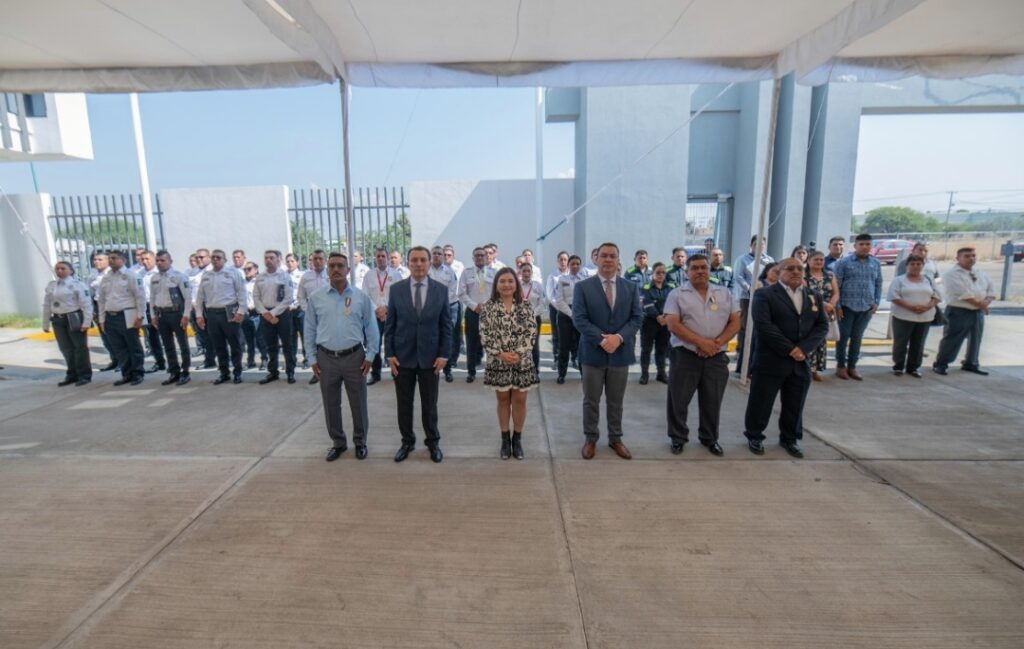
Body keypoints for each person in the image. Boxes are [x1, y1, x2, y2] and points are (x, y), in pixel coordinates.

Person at [742, 258, 829, 458]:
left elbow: (822, 326)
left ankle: (790, 438)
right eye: (790, 268)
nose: (796, 272)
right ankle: (755, 435)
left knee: (795, 403)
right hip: (771, 360)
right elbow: (764, 325)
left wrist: (803, 349)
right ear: (779, 272)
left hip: (800, 361)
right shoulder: (764, 295)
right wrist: (790, 349)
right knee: (761, 402)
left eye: (800, 268)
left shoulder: (813, 296)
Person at [573, 243, 644, 460]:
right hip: (592, 353)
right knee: (591, 400)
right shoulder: (583, 287)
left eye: (612, 256)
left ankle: (615, 438)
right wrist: (602, 340)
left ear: (618, 259)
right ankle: (591, 438)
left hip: (620, 353)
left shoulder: (630, 287)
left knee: (616, 400)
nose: (608, 259)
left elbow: (637, 318)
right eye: (603, 255)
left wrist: (618, 338)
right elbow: (579, 319)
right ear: (596, 259)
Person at [663, 254, 740, 455]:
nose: (699, 271)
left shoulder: (724, 293)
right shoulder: (677, 294)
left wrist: (715, 344)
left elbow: (735, 322)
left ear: (709, 270)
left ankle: (709, 438)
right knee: (678, 400)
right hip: (685, 355)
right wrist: (701, 343)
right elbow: (673, 324)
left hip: (716, 356)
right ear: (686, 272)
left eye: (703, 268)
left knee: (712, 401)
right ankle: (678, 438)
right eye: (694, 268)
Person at [306, 252, 379, 461]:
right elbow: (309, 329)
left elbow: (371, 328)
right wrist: (312, 358)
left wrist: (371, 355)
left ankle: (360, 441)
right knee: (330, 403)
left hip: (355, 357)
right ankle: (338, 442)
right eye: (332, 266)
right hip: (326, 358)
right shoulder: (316, 298)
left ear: (348, 269)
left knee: (358, 402)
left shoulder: (360, 297)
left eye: (340, 265)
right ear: (327, 270)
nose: (336, 269)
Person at [385, 247, 453, 463]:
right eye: (414, 260)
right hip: (402, 357)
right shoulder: (396, 290)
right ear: (408, 263)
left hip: (430, 358)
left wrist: (444, 354)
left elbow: (446, 326)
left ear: (429, 262)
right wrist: (389, 354)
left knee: (429, 404)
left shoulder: (441, 290)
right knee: (404, 404)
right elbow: (390, 325)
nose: (419, 264)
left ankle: (433, 442)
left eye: (423, 260)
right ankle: (407, 442)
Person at [480, 267, 540, 460]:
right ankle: (505, 439)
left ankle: (518, 439)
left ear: (516, 284)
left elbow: (531, 332)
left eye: (510, 281)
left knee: (520, 400)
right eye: (502, 281)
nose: (506, 285)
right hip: (498, 361)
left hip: (522, 361)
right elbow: (485, 334)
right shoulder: (488, 307)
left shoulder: (526, 305)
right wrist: (501, 354)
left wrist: (519, 353)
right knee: (503, 399)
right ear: (496, 285)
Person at [933, 247, 995, 376]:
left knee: (976, 338)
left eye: (973, 256)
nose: (971, 258)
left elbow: (990, 288)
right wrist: (982, 305)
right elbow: (964, 294)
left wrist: (987, 301)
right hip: (959, 311)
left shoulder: (979, 272)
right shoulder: (951, 274)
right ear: (958, 258)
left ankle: (971, 363)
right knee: (952, 338)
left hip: (977, 311)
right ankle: (941, 364)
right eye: (967, 256)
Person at [833, 233, 882, 381]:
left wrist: (876, 302)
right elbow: (836, 285)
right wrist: (838, 305)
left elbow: (878, 283)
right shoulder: (844, 263)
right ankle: (840, 366)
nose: (865, 247)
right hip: (846, 307)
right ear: (855, 246)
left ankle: (852, 366)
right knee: (843, 337)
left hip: (866, 307)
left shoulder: (875, 263)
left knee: (857, 337)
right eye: (861, 244)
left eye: (868, 244)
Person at [195, 249, 247, 385]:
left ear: (225, 260)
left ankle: (237, 372)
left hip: (229, 312)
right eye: (213, 257)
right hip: (212, 313)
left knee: (235, 344)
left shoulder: (233, 273)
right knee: (218, 345)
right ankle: (224, 373)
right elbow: (200, 297)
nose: (215, 260)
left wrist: (241, 311)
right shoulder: (206, 275)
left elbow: (242, 293)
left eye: (219, 257)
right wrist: (199, 315)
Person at [888, 254, 942, 378]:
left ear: (923, 266)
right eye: (912, 264)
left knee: (918, 343)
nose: (915, 266)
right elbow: (893, 296)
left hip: (924, 318)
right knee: (901, 343)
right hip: (903, 317)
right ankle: (898, 366)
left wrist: (927, 307)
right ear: (907, 266)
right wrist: (910, 307)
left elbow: (937, 296)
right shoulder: (899, 280)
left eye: (919, 264)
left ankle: (913, 368)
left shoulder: (929, 280)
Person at [97, 250, 147, 386]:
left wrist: (140, 316)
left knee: (133, 346)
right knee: (119, 348)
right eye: (109, 258)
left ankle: (137, 373)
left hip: (127, 314)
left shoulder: (131, 275)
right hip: (110, 316)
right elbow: (101, 300)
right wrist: (102, 319)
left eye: (114, 258)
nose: (111, 261)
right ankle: (127, 374)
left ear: (123, 260)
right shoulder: (106, 277)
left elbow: (140, 296)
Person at [43, 261, 93, 386]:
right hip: (58, 319)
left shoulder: (77, 285)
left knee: (79, 348)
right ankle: (72, 374)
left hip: (73, 317)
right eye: (57, 269)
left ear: (71, 270)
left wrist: (87, 322)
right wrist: (45, 323)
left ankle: (84, 375)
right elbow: (47, 304)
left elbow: (86, 304)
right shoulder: (52, 285)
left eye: (63, 268)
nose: (59, 271)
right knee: (65, 348)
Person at [254, 250, 298, 384]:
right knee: (270, 345)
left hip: (282, 313)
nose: (268, 260)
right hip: (265, 314)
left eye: (271, 258)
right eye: (266, 258)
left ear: (278, 260)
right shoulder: (260, 277)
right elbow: (256, 297)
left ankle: (290, 371)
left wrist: (272, 313)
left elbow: (288, 298)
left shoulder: (284, 276)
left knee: (287, 344)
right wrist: (264, 313)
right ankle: (273, 372)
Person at [732, 235, 774, 375]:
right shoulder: (742, 259)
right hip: (747, 297)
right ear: (751, 245)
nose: (759, 246)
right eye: (756, 244)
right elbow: (738, 277)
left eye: (762, 244)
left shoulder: (769, 260)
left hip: (765, 297)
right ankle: (741, 353)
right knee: (745, 326)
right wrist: (750, 289)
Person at [150, 250, 193, 386]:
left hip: (176, 314)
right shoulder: (154, 278)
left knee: (183, 344)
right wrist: (153, 315)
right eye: (157, 261)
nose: (159, 263)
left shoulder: (179, 276)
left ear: (170, 261)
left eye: (162, 260)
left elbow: (187, 297)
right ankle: (174, 371)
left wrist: (186, 315)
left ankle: (185, 371)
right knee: (168, 345)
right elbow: (152, 298)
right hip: (162, 314)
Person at [361, 247, 403, 385]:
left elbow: (399, 294)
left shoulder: (396, 275)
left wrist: (387, 309)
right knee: (374, 345)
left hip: (392, 314)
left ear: (387, 257)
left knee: (393, 344)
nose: (380, 258)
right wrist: (377, 310)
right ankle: (376, 374)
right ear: (375, 258)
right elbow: (365, 295)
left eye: (383, 256)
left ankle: (396, 372)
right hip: (374, 315)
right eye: (378, 256)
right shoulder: (369, 275)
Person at [459, 247, 496, 383]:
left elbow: (497, 292)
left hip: (489, 312)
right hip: (472, 312)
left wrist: (486, 305)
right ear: (473, 258)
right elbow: (461, 293)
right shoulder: (466, 272)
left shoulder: (494, 273)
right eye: (477, 255)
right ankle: (471, 372)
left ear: (486, 257)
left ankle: (493, 372)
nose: (480, 257)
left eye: (482, 255)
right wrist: (474, 306)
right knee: (471, 343)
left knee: (491, 343)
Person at [804, 251, 839, 381]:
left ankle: (815, 370)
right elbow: (806, 293)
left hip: (826, 313)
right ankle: (807, 370)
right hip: (810, 311)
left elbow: (836, 292)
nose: (819, 262)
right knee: (809, 340)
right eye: (816, 259)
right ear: (809, 261)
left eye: (821, 260)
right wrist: (824, 304)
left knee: (821, 341)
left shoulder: (830, 275)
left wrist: (831, 305)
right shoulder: (804, 276)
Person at [429, 245, 461, 382]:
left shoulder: (450, 272)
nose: (437, 255)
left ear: (443, 256)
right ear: (431, 256)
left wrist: (440, 305)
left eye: (439, 253)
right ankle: (432, 370)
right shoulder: (426, 270)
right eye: (434, 253)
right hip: (429, 310)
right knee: (431, 339)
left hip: (447, 308)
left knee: (447, 338)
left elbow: (453, 290)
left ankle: (447, 370)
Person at [638, 262, 674, 385]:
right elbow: (647, 304)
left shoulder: (670, 287)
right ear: (652, 273)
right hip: (649, 322)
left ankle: (661, 373)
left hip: (665, 323)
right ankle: (644, 374)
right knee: (646, 349)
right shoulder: (645, 287)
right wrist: (658, 316)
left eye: (663, 273)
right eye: (658, 272)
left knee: (662, 349)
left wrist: (665, 317)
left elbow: (673, 303)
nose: (661, 275)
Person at [553, 254, 587, 383]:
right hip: (565, 314)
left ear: (580, 265)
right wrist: (571, 314)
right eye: (572, 264)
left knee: (581, 345)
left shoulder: (585, 280)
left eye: (577, 264)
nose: (575, 266)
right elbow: (559, 300)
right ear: (568, 265)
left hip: (580, 315)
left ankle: (584, 373)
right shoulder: (562, 279)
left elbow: (587, 300)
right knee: (564, 346)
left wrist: (578, 314)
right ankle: (562, 374)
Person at [137, 251, 166, 373]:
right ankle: (159, 362)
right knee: (151, 336)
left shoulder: (160, 272)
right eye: (142, 259)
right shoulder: (139, 274)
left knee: (166, 335)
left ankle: (174, 362)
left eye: (147, 259)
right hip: (146, 306)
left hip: (160, 305)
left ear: (154, 259)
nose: (144, 261)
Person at [89, 251, 118, 371]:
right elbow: (90, 293)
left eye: (100, 259)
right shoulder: (93, 275)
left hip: (110, 306)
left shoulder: (112, 274)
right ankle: (114, 359)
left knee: (114, 336)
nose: (97, 262)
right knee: (105, 336)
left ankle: (122, 361)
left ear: (107, 260)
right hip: (98, 306)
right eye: (95, 259)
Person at [188, 248, 215, 369]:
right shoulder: (193, 272)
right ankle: (209, 359)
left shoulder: (213, 271)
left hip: (209, 306)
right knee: (203, 335)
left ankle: (223, 359)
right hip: (196, 307)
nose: (199, 259)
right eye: (197, 257)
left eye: (201, 257)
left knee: (215, 334)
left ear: (209, 257)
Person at [518, 261, 547, 371]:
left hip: (535, 319)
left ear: (531, 272)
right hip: (519, 320)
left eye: (528, 271)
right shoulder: (516, 286)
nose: (526, 273)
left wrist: (531, 315)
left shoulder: (538, 285)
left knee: (534, 346)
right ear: (520, 272)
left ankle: (535, 370)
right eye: (524, 271)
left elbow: (542, 303)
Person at [442, 244, 465, 374]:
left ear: (453, 256)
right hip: (440, 304)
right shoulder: (438, 268)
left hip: (455, 302)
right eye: (444, 255)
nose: (446, 257)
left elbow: (460, 284)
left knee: (454, 331)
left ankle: (453, 359)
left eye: (449, 255)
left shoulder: (459, 266)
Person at [241, 262, 268, 370]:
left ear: (256, 269)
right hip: (246, 313)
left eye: (249, 269)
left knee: (260, 338)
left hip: (257, 313)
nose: (247, 271)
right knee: (249, 340)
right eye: (245, 269)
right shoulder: (242, 282)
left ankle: (264, 359)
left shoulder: (260, 281)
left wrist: (255, 305)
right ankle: (250, 361)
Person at [546, 251, 569, 370]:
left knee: (570, 335)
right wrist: (560, 307)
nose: (563, 262)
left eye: (565, 259)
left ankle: (573, 358)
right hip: (556, 308)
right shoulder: (552, 276)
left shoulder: (571, 275)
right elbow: (550, 295)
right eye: (561, 259)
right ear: (557, 261)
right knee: (556, 334)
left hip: (569, 309)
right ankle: (556, 358)